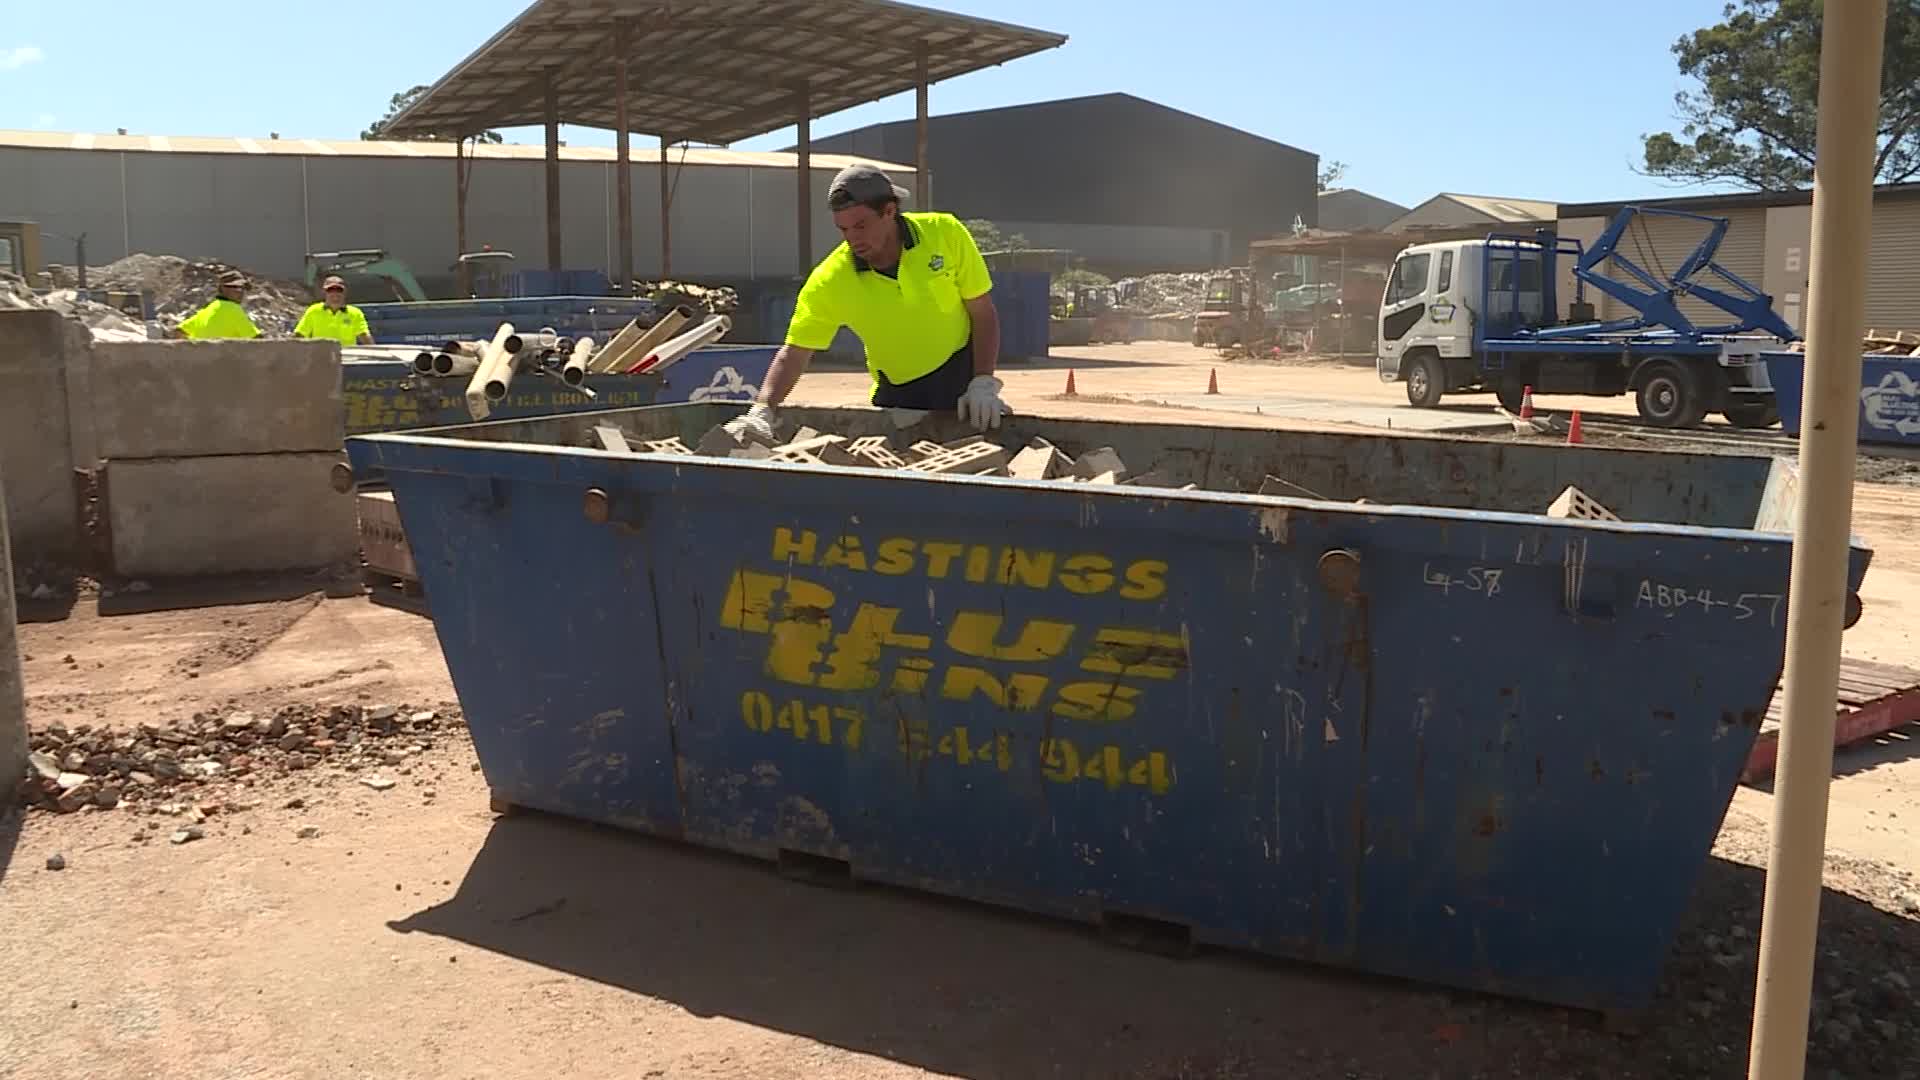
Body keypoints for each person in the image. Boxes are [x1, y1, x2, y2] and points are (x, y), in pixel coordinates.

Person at [728, 165, 1006, 438]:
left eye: (860, 225)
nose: (852, 239)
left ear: (889, 210)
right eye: (843, 229)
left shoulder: (945, 234)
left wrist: (982, 381)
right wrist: (762, 409)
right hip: (898, 393)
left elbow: (982, 313)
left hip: (964, 380)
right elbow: (795, 353)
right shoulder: (832, 279)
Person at [173, 270, 260, 340]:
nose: (240, 292)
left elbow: (179, 332)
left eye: (242, 288)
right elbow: (257, 340)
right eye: (235, 287)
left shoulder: (209, 309)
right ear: (222, 289)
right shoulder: (233, 310)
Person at [293, 275, 374, 346]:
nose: (335, 293)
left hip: (347, 358)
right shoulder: (313, 311)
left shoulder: (355, 313)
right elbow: (300, 334)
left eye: (339, 290)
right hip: (320, 356)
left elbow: (364, 336)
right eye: (330, 290)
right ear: (324, 292)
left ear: (344, 292)